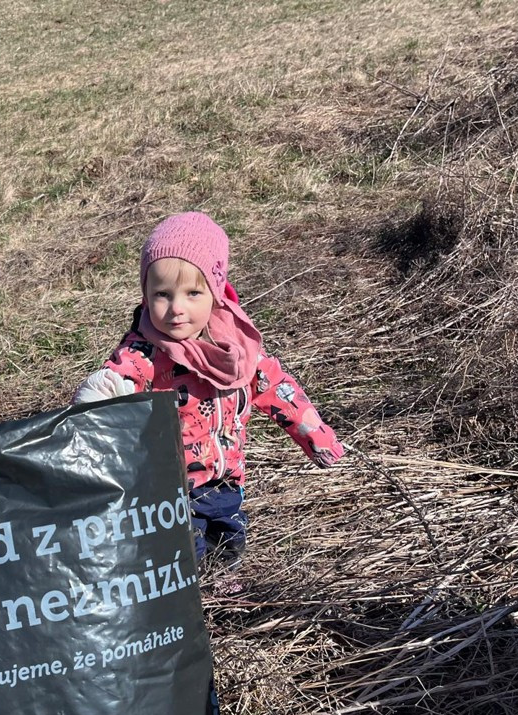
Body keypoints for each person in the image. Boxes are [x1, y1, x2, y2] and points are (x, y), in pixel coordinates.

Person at [73, 212, 344, 566]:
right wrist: (90, 407)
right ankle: (195, 595)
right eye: (162, 294)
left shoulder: (236, 348)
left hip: (228, 479)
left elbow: (278, 389)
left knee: (229, 541)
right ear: (145, 295)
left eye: (193, 293)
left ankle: (225, 582)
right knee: (187, 558)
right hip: (172, 491)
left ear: (215, 292)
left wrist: (319, 438)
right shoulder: (145, 351)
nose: (176, 309)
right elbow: (112, 382)